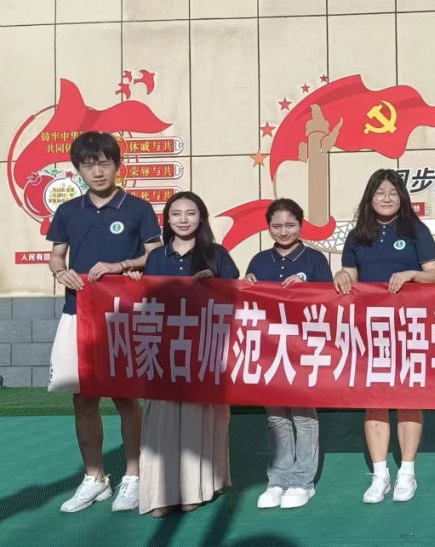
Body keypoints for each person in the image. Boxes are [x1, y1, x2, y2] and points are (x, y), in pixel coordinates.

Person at [46, 131, 162, 513]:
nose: (97, 171)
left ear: (116, 165)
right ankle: (94, 478)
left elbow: (155, 255)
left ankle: (134, 476)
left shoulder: (138, 208)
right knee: (83, 399)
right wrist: (61, 272)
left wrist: (122, 265)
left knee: (126, 396)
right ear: (78, 170)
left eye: (104, 163)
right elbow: (57, 256)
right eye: (88, 164)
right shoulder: (67, 211)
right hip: (78, 312)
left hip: (124, 315)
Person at [124, 191, 239, 517]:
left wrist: (215, 281)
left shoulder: (216, 254)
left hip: (201, 350)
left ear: (201, 218)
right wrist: (135, 281)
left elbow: (239, 296)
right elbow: (145, 301)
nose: (183, 219)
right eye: (176, 213)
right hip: (162, 350)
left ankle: (195, 489)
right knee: (161, 419)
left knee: (195, 419)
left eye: (191, 213)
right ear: (167, 219)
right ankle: (160, 492)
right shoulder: (156, 257)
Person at [334, 169, 435, 504]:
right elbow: (350, 277)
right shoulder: (357, 236)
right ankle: (380, 475)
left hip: (410, 328)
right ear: (370, 198)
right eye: (380, 192)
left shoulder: (416, 231)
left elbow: (434, 275)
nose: (386, 198)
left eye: (392, 192)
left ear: (402, 197)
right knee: (374, 400)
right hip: (370, 330)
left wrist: (411, 275)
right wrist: (341, 276)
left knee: (409, 399)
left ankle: (407, 472)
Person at [245, 199, 333, 510]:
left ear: (301, 225)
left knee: (303, 415)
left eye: (290, 225)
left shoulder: (315, 260)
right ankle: (278, 479)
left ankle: (303, 481)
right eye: (277, 225)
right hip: (269, 349)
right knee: (276, 417)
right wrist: (248, 284)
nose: (284, 231)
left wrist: (306, 285)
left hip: (303, 349)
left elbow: (330, 301)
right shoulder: (259, 260)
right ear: (268, 227)